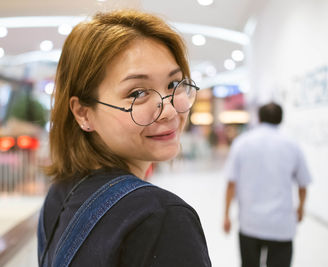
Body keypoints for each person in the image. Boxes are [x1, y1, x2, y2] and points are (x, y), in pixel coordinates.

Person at [37, 9, 212, 267]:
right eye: (138, 92)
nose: (170, 110)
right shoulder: (160, 218)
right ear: (83, 113)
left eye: (174, 85)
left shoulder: (61, 195)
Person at [223, 102, 312, 267]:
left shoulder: (242, 143)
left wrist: (227, 215)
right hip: (281, 225)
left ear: (259, 118)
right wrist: (301, 208)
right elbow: (303, 183)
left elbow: (231, 183)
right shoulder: (292, 145)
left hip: (250, 223)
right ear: (281, 119)